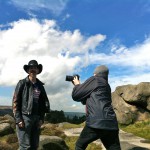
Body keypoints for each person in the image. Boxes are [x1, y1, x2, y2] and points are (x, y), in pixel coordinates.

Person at [72, 65, 121, 150]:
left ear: (95, 73)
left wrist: (77, 85)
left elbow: (76, 95)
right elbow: (87, 100)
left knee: (80, 145)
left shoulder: (95, 79)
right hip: (111, 123)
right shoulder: (107, 85)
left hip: (96, 122)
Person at [12, 60, 50, 150]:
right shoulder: (22, 83)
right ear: (28, 70)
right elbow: (15, 102)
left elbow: (43, 104)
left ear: (38, 70)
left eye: (35, 68)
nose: (33, 69)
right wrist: (18, 119)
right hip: (25, 117)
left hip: (36, 118)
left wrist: (41, 118)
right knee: (25, 146)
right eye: (31, 68)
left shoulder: (40, 85)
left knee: (34, 146)